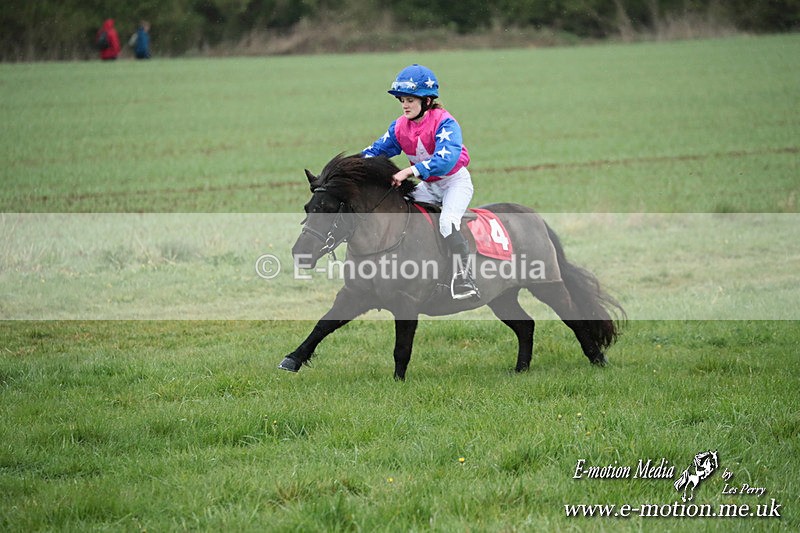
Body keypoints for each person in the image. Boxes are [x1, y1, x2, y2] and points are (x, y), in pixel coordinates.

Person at [362, 64, 479, 300]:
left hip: (454, 183)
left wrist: (409, 171)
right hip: (429, 186)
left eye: (410, 100)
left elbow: (446, 161)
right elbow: (376, 151)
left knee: (447, 222)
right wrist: (349, 168)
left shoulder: (446, 123)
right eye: (402, 100)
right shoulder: (399, 127)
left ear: (426, 101)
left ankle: (464, 279)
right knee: (402, 213)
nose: (404, 104)